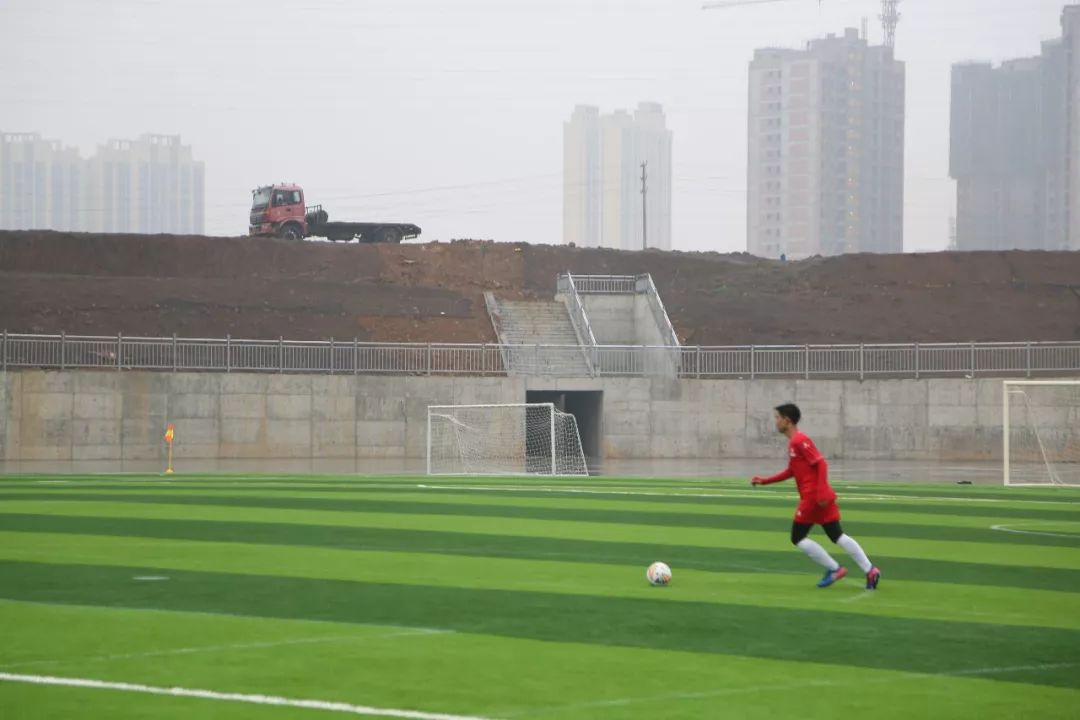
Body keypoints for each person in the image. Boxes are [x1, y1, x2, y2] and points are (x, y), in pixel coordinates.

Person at [752, 403, 881, 589]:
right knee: (836, 535)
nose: (776, 422)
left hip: (813, 498)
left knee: (797, 537)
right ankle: (870, 570)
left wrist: (820, 491)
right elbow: (792, 471)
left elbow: (821, 463)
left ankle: (834, 568)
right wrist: (765, 481)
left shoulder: (799, 440)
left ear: (787, 420)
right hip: (819, 497)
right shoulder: (794, 443)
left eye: (777, 418)